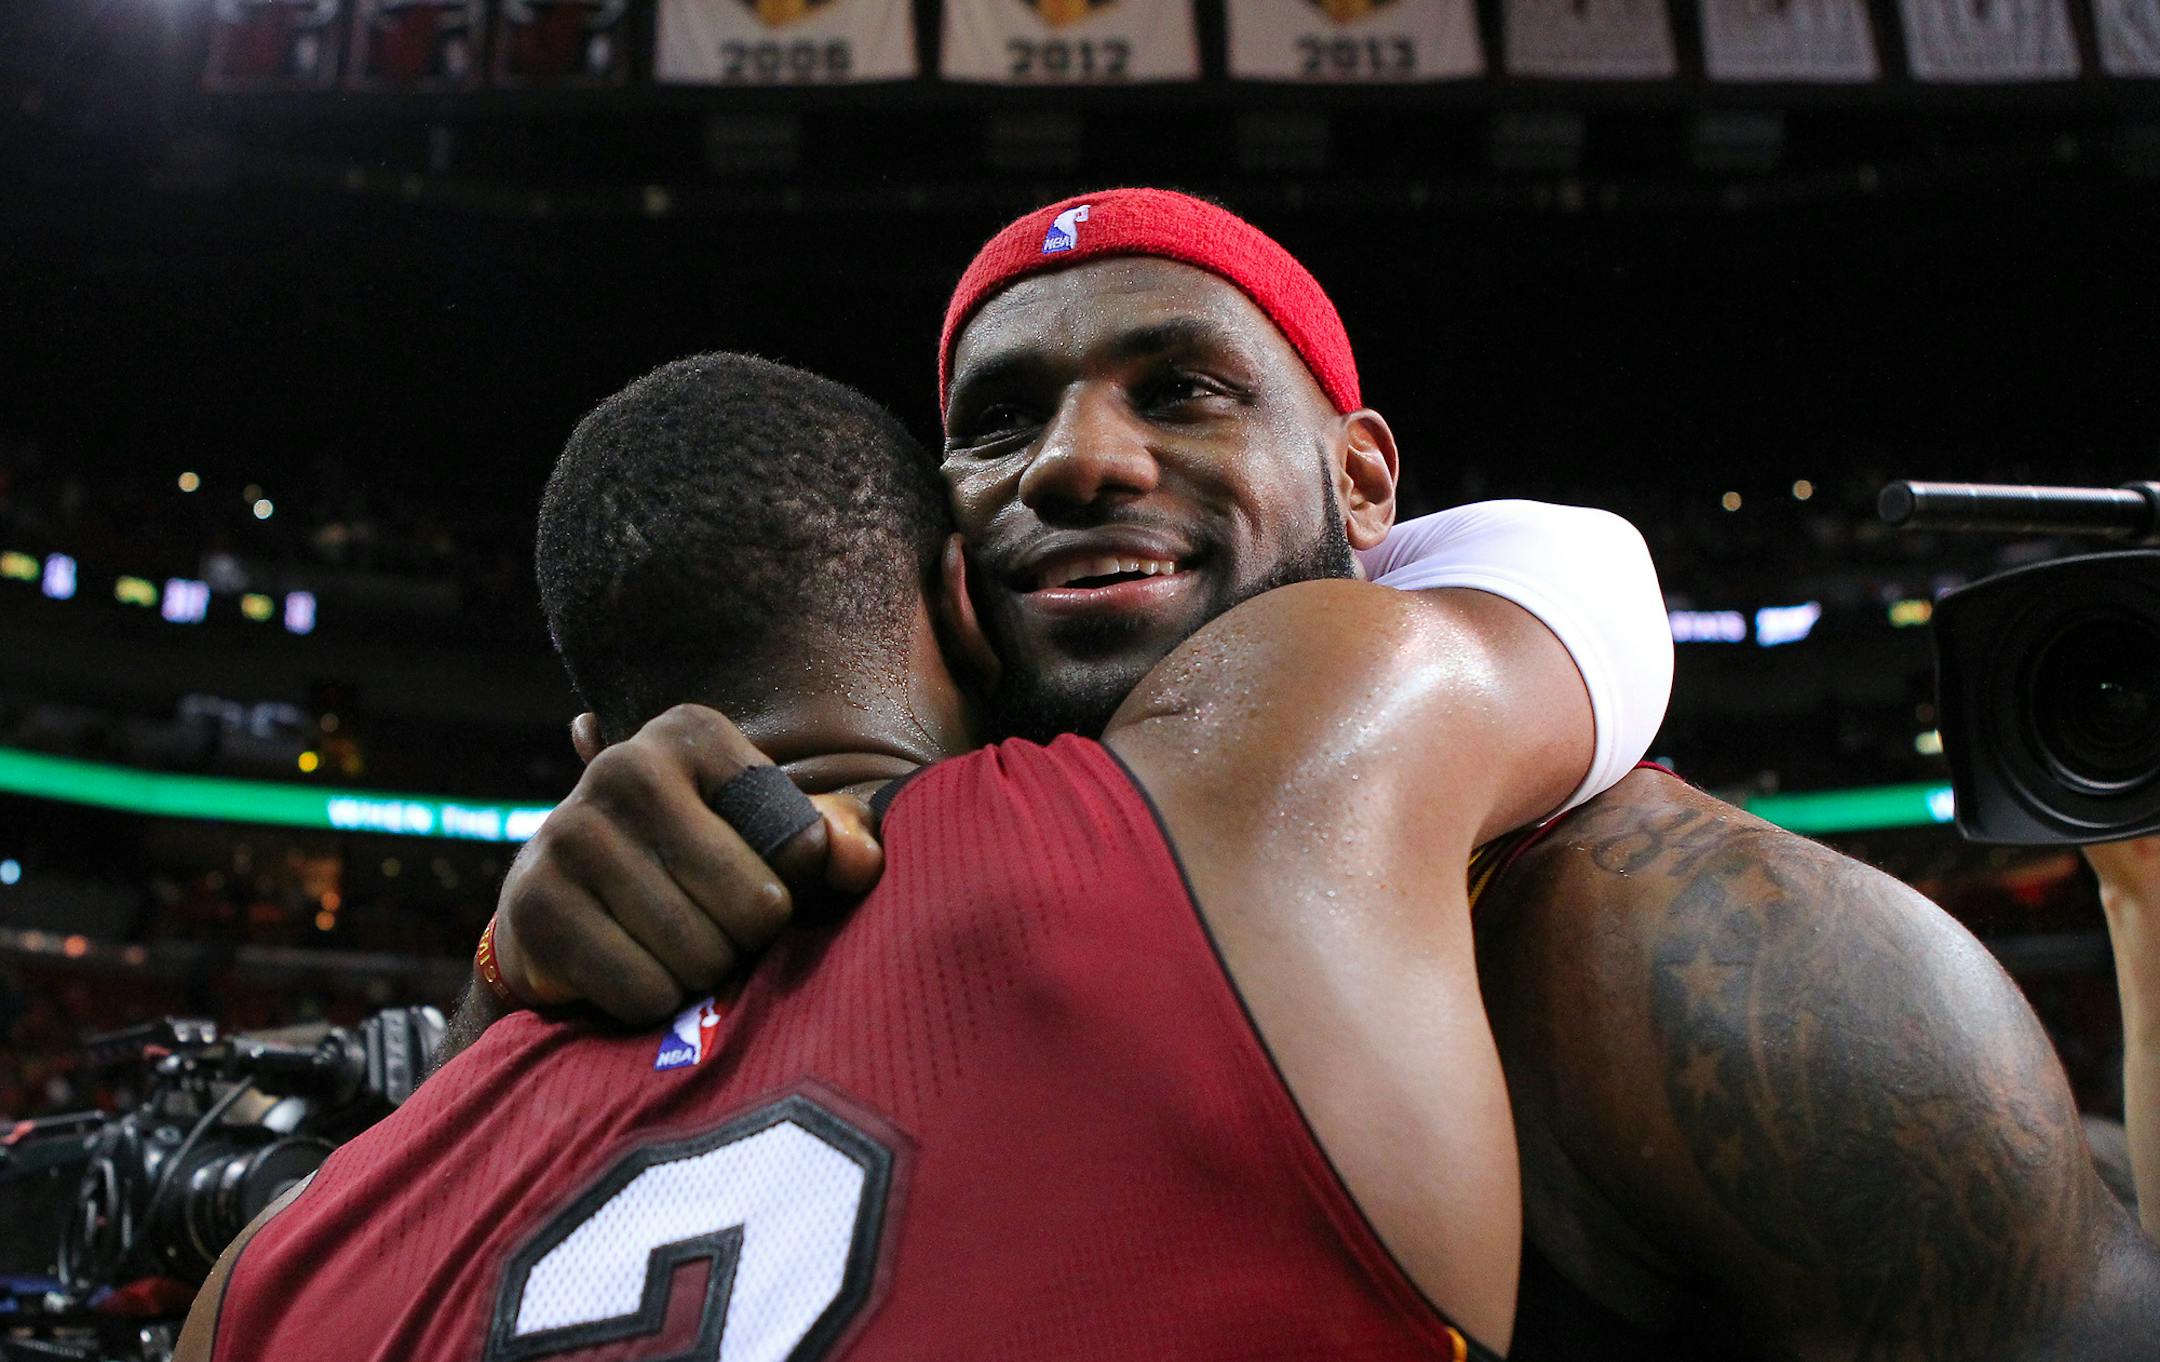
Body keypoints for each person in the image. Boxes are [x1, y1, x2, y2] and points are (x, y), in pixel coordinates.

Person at [474, 189, 2160, 1358]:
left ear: (1365, 488)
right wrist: (534, 965)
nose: (1079, 459)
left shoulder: (1688, 956)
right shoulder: (821, 890)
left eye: (1184, 389)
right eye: (999, 422)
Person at [178, 351, 1665, 1360]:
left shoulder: (265, 1280)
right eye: (1008, 428)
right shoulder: (1229, 810)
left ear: (592, 745)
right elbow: (1588, 573)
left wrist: (497, 994)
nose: (1086, 465)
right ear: (966, 601)